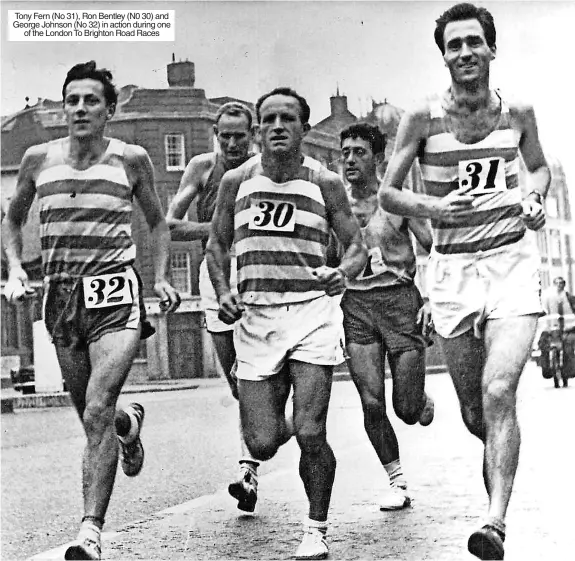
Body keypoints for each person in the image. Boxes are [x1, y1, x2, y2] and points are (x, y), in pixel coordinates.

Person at [377, 3, 550, 559]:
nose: (465, 53)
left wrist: (533, 196)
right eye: (454, 46)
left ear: (492, 49)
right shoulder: (422, 119)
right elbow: (388, 194)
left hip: (511, 265)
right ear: (444, 56)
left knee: (499, 391)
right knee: (478, 413)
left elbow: (539, 166)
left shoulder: (517, 111)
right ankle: (501, 462)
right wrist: (437, 208)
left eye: (474, 42)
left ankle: (494, 523)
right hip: (451, 271)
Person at [2, 61, 181, 561]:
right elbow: (12, 221)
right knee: (93, 415)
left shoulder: (132, 159)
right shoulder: (38, 159)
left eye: (91, 101)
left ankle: (90, 533)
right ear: (63, 108)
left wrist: (162, 277)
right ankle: (129, 427)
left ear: (109, 111)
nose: (80, 109)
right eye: (72, 100)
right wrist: (17, 269)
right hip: (62, 296)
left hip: (116, 293)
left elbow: (157, 224)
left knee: (97, 406)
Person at [206, 87, 367, 560]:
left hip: (311, 311)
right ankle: (285, 432)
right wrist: (223, 292)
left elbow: (356, 246)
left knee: (312, 431)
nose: (277, 126)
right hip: (257, 315)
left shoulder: (326, 183)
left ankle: (315, 529)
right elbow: (216, 245)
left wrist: (342, 272)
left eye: (288, 119)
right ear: (257, 130)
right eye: (269, 119)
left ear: (303, 129)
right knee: (262, 440)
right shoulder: (236, 181)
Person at [166, 102, 278, 513]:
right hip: (214, 275)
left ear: (253, 134)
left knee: (254, 375)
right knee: (236, 382)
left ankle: (248, 473)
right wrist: (221, 230)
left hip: (259, 273)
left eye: (240, 136)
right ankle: (268, 428)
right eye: (224, 135)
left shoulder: (264, 167)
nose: (231, 143)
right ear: (215, 132)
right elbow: (171, 224)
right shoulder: (200, 167)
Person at [339, 122, 435, 511]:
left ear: (378, 159)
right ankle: (396, 481)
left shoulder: (397, 200)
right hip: (357, 305)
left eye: (359, 152)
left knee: (406, 410)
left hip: (399, 301)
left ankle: (421, 400)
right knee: (371, 403)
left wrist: (429, 297)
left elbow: (433, 248)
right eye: (344, 153)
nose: (349, 160)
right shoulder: (336, 205)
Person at [539, 276, 575, 386]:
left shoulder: (569, 297)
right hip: (551, 328)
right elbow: (543, 312)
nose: (559, 285)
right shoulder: (547, 297)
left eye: (561, 283)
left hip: (567, 328)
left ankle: (568, 372)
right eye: (557, 283)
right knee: (544, 345)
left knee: (568, 348)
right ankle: (548, 370)